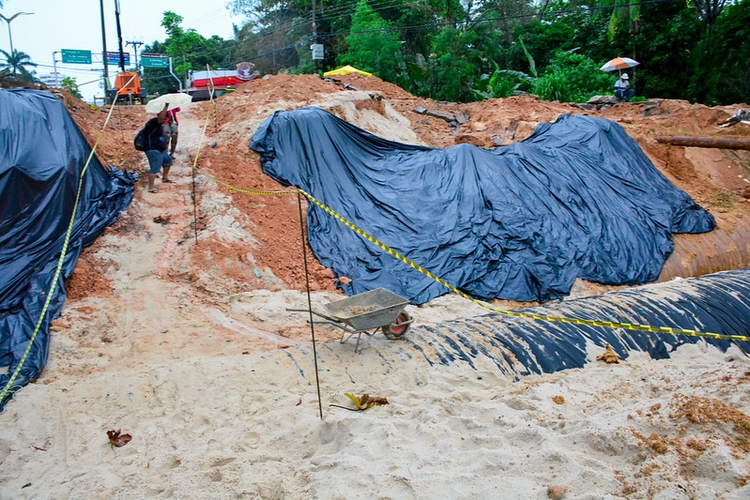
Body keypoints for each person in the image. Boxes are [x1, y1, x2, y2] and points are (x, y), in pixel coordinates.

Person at [142, 103, 173, 193]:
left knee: (168, 161)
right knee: (155, 168)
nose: (164, 120)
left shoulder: (159, 125)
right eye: (163, 118)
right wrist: (166, 106)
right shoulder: (153, 122)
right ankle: (151, 187)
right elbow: (160, 118)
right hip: (152, 149)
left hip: (160, 149)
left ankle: (165, 177)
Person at [163, 85, 180, 158]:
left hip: (172, 121)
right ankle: (165, 153)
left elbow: (178, 109)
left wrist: (174, 103)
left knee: (175, 135)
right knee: (167, 136)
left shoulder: (173, 101)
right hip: (164, 121)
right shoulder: (163, 101)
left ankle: (172, 152)